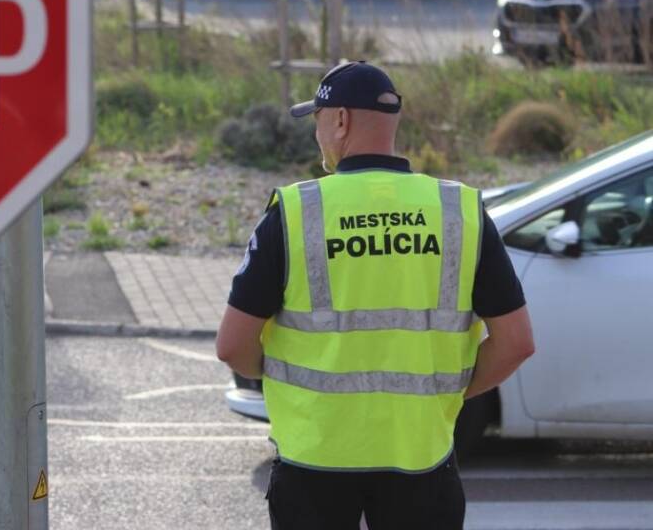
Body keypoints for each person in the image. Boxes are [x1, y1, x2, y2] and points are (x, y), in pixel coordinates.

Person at [215, 61, 535, 530]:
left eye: (319, 120)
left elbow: (232, 347)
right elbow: (517, 342)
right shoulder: (458, 210)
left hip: (314, 461)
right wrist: (443, 394)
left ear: (340, 120)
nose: (317, 135)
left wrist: (290, 388)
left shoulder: (297, 212)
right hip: (421, 457)